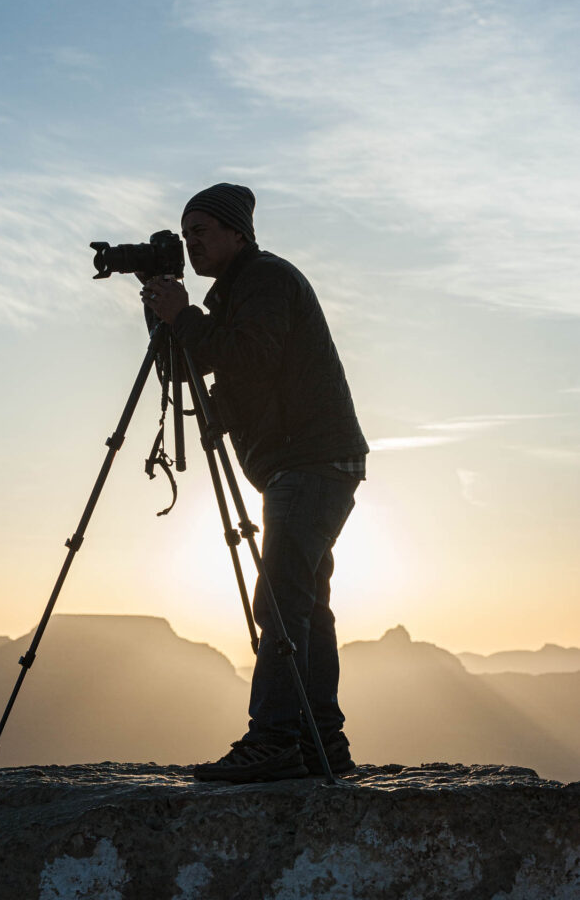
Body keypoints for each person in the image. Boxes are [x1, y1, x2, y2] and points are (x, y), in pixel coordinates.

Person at [141, 183, 368, 783]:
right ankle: (323, 742)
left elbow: (250, 358)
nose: (192, 243)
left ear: (237, 232)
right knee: (306, 603)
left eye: (203, 232)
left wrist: (184, 316)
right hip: (309, 463)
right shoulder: (238, 292)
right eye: (186, 235)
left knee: (279, 601)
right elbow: (197, 365)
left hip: (310, 461)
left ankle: (273, 740)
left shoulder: (265, 280)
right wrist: (168, 322)